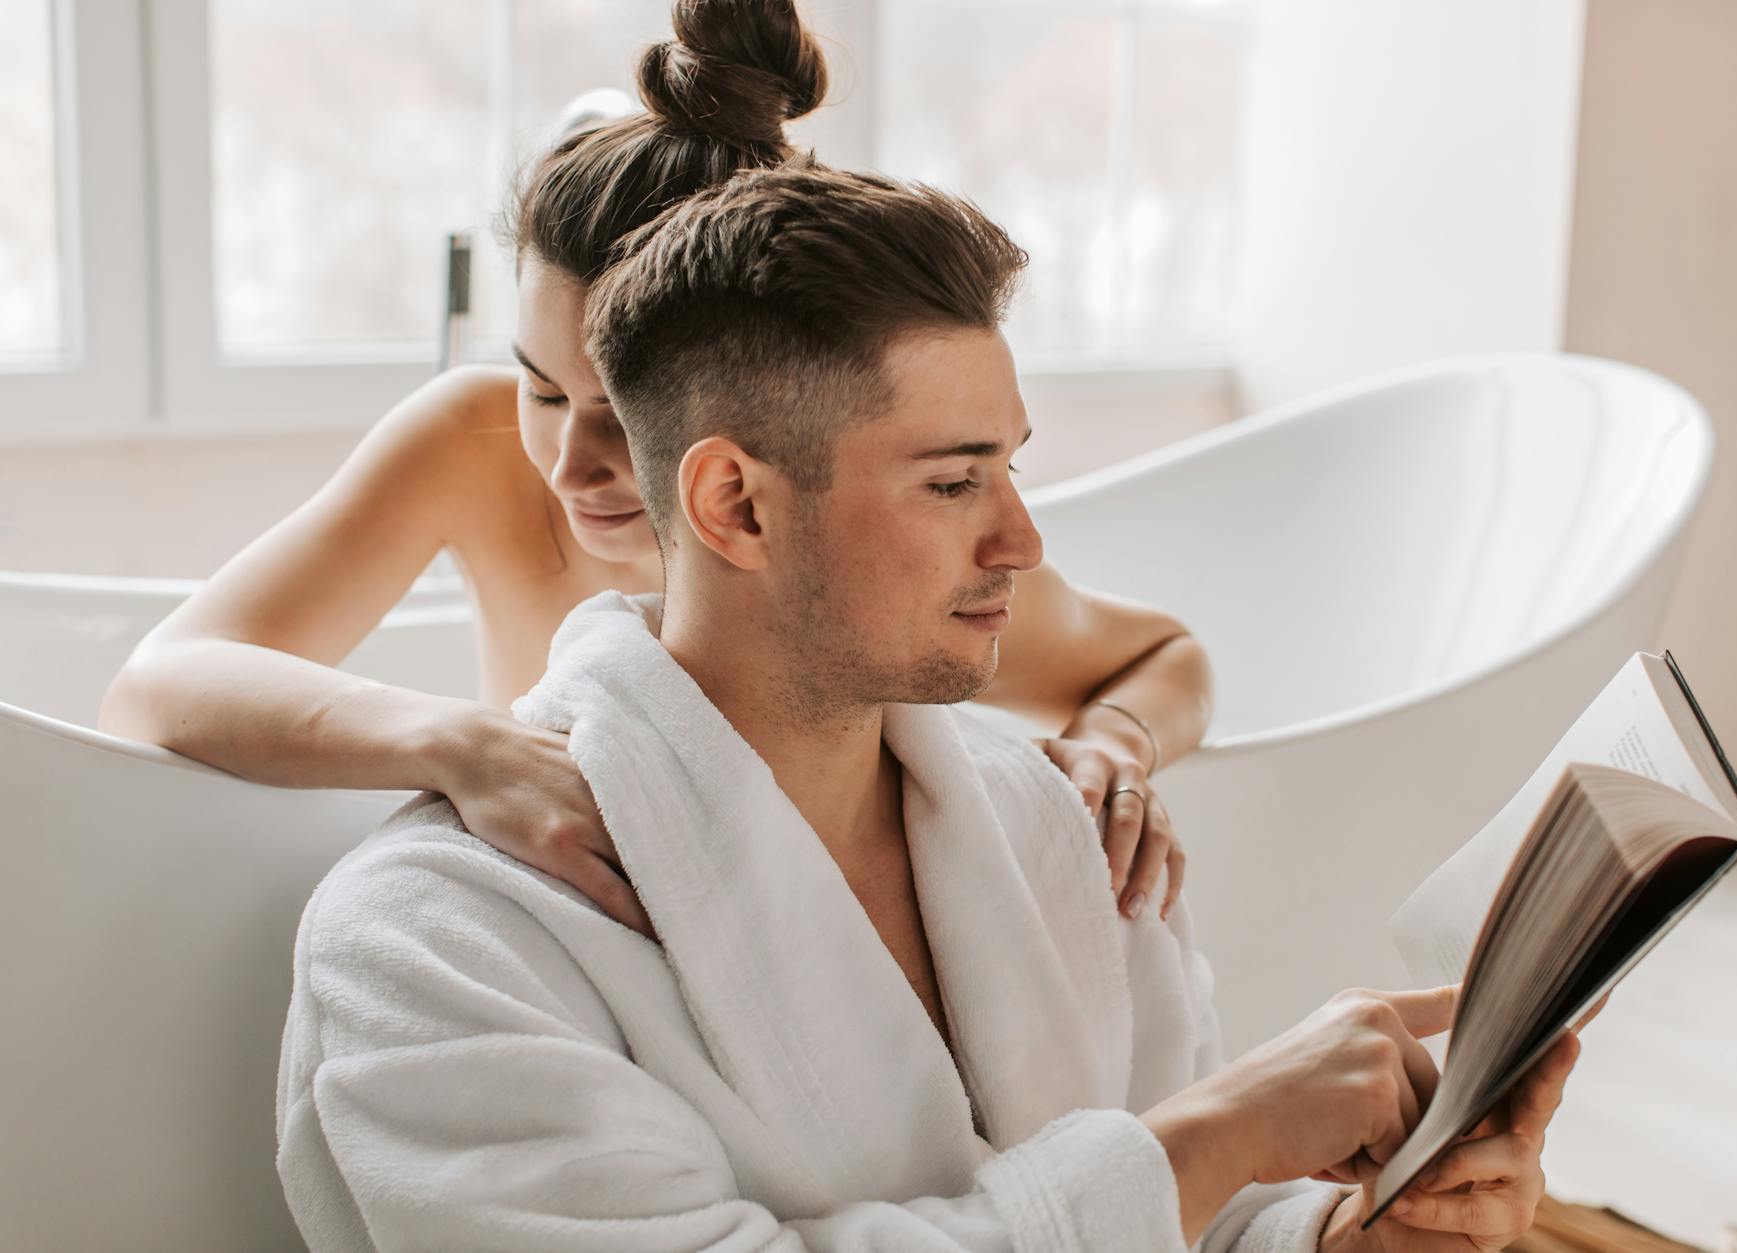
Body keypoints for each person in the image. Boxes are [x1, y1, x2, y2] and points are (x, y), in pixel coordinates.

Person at [275, 158, 1580, 1251]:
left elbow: (1193, 1218)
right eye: (955, 483)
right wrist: (1223, 1131)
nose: (1019, 538)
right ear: (736, 504)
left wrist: (1349, 1229)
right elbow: (1167, 1168)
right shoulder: (435, 943)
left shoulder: (1045, 825)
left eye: (1011, 469)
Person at [97, 0, 1205, 930]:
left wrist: (1112, 745)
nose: (569, 461)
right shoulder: (472, 445)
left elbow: (1161, 653)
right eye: (540, 386)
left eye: (622, 417)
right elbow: (160, 685)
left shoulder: (847, 565)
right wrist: (457, 742)